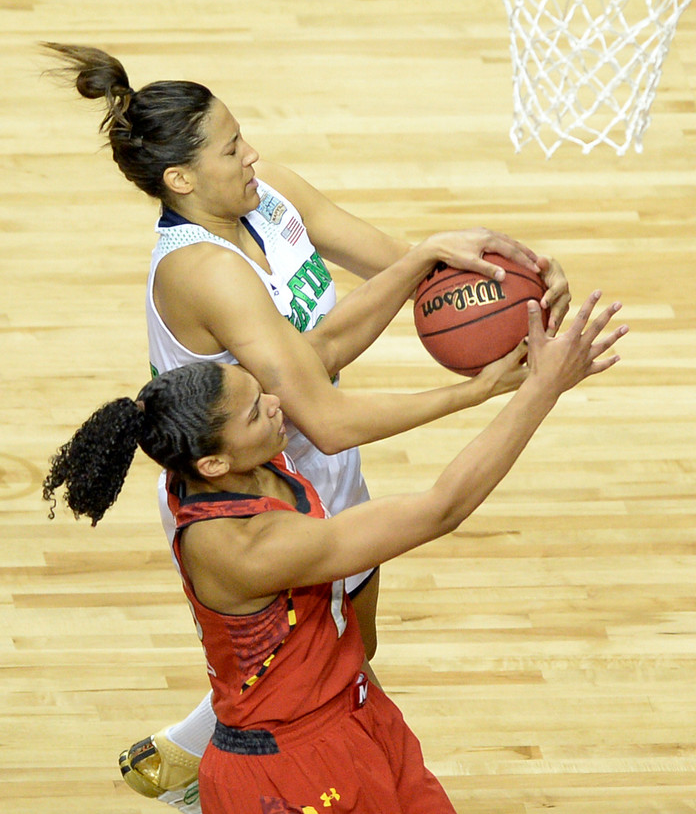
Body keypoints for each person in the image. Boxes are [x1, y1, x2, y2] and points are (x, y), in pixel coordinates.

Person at [43, 42, 572, 810]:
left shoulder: (268, 193)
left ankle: (197, 749)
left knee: (350, 651)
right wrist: (478, 394)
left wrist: (514, 289)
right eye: (230, 148)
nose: (251, 151)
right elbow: (319, 415)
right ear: (180, 179)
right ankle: (221, 761)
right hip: (248, 485)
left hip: (314, 459)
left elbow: (372, 304)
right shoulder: (202, 269)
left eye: (242, 132)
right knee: (311, 677)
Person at [43, 292, 626, 814]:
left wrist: (478, 377)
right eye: (256, 410)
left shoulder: (217, 457)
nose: (277, 402)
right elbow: (440, 508)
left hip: (358, 713)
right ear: (213, 463)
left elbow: (320, 349)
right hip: (287, 770)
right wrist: (542, 389)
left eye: (261, 392)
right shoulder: (246, 547)